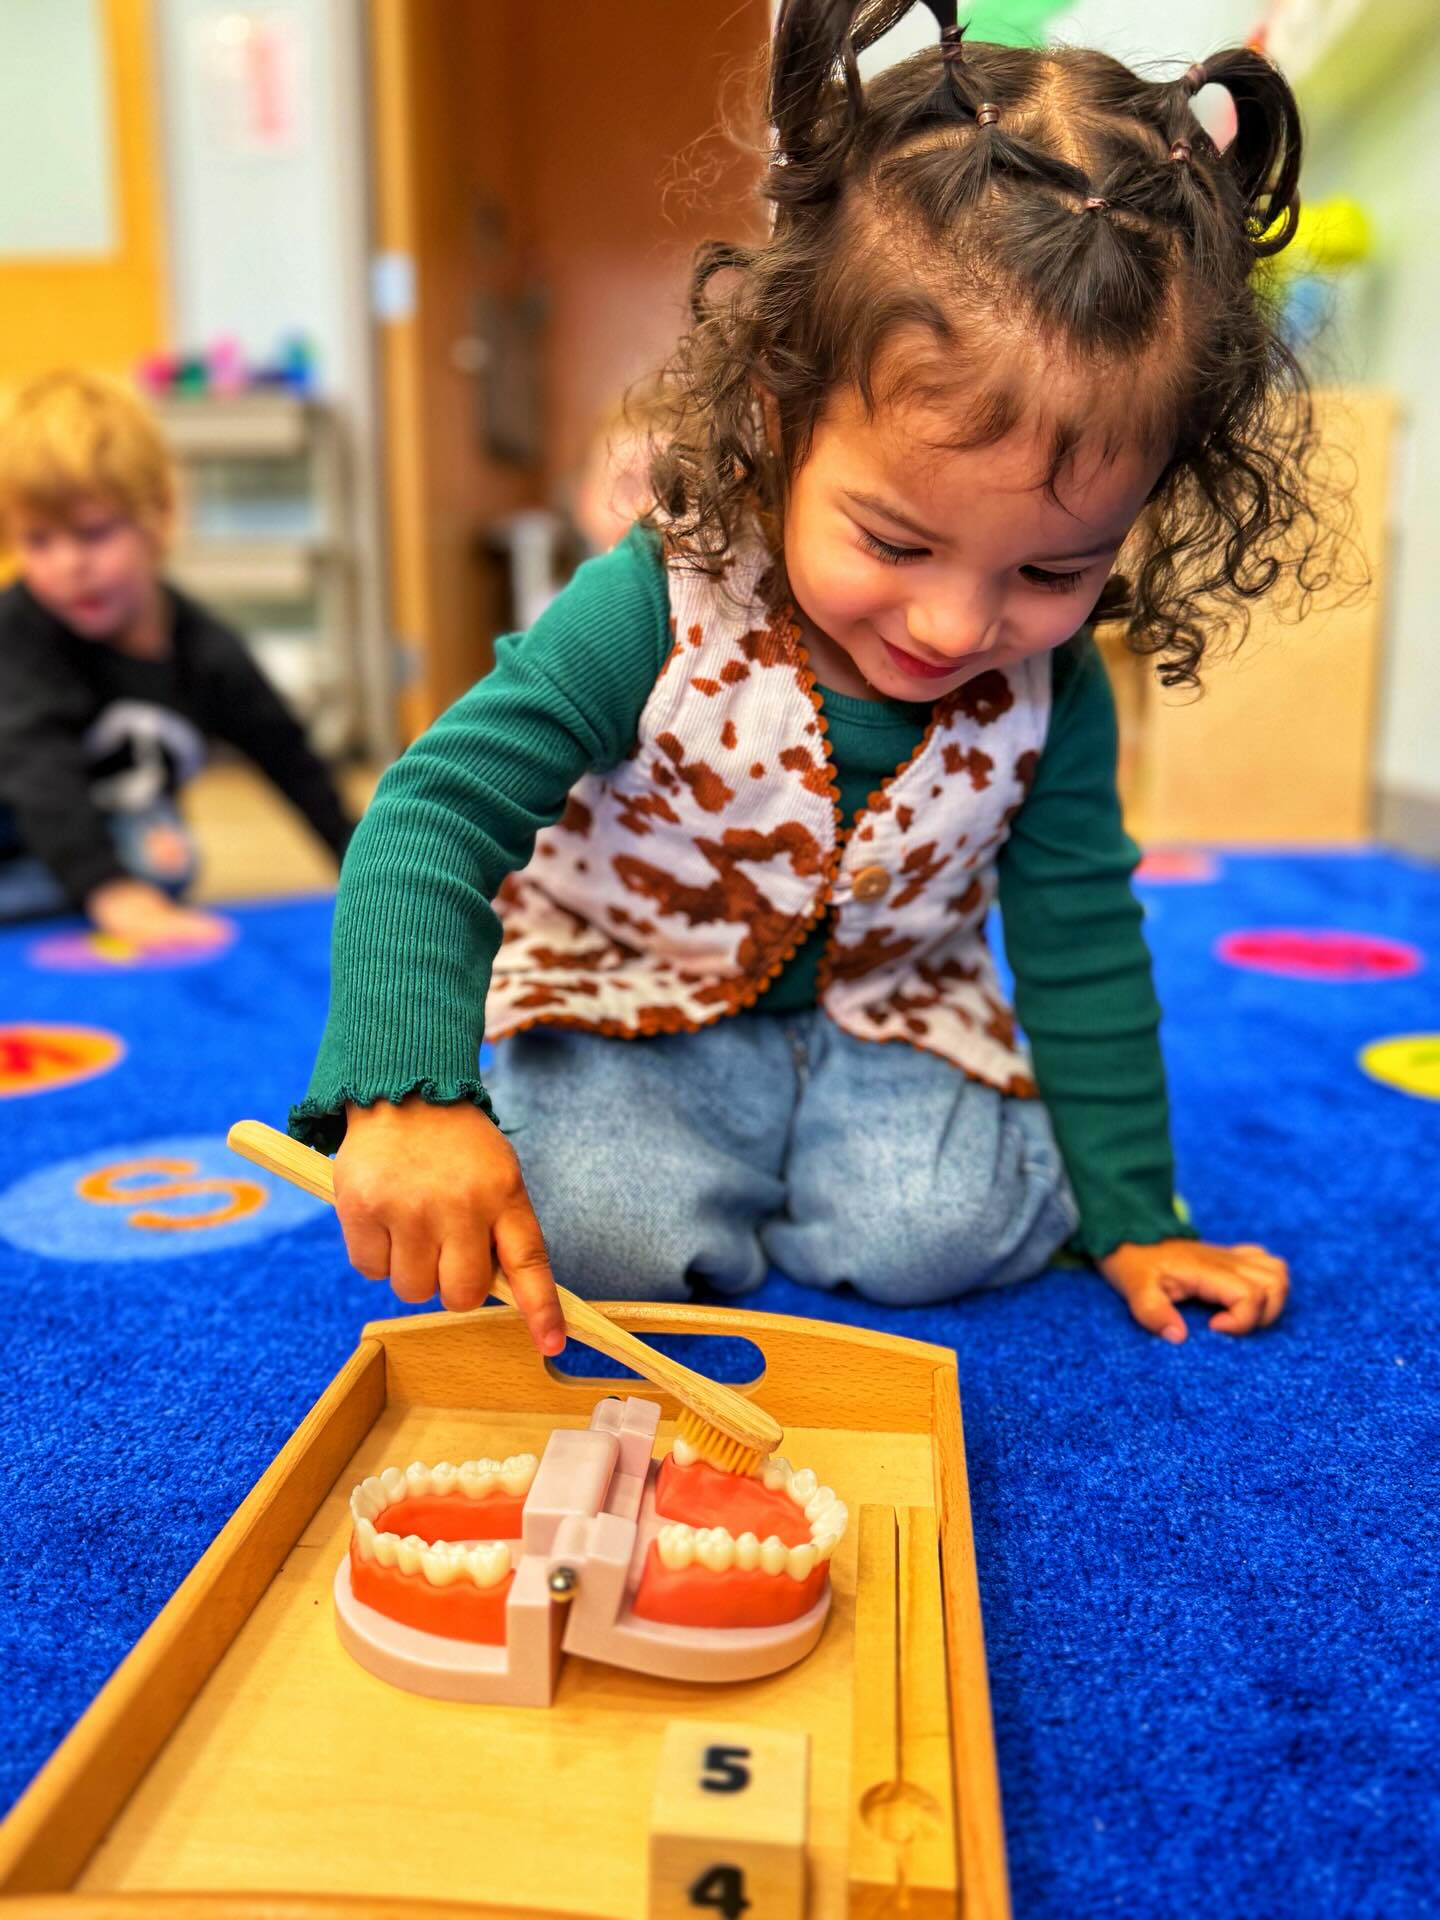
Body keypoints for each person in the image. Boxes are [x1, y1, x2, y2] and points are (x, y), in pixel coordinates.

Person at [293, 4, 1344, 1354]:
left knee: (943, 1237)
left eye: (1052, 571)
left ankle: (799, 1178)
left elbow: (1078, 937)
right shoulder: (653, 600)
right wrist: (407, 1090)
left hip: (891, 1021)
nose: (961, 622)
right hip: (629, 1004)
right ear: (782, 417)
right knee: (592, 1232)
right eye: (895, 539)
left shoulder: (1056, 691)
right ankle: (705, 1172)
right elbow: (433, 816)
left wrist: (1136, 1213)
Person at [0, 369, 354, 942]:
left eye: (93, 534)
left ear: (159, 516)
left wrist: (368, 869)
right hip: (22, 818)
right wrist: (110, 892)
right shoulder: (19, 632)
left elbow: (293, 761)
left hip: (76, 839)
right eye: (38, 542)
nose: (69, 567)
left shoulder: (208, 653)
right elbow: (39, 772)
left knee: (166, 859)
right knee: (130, 875)